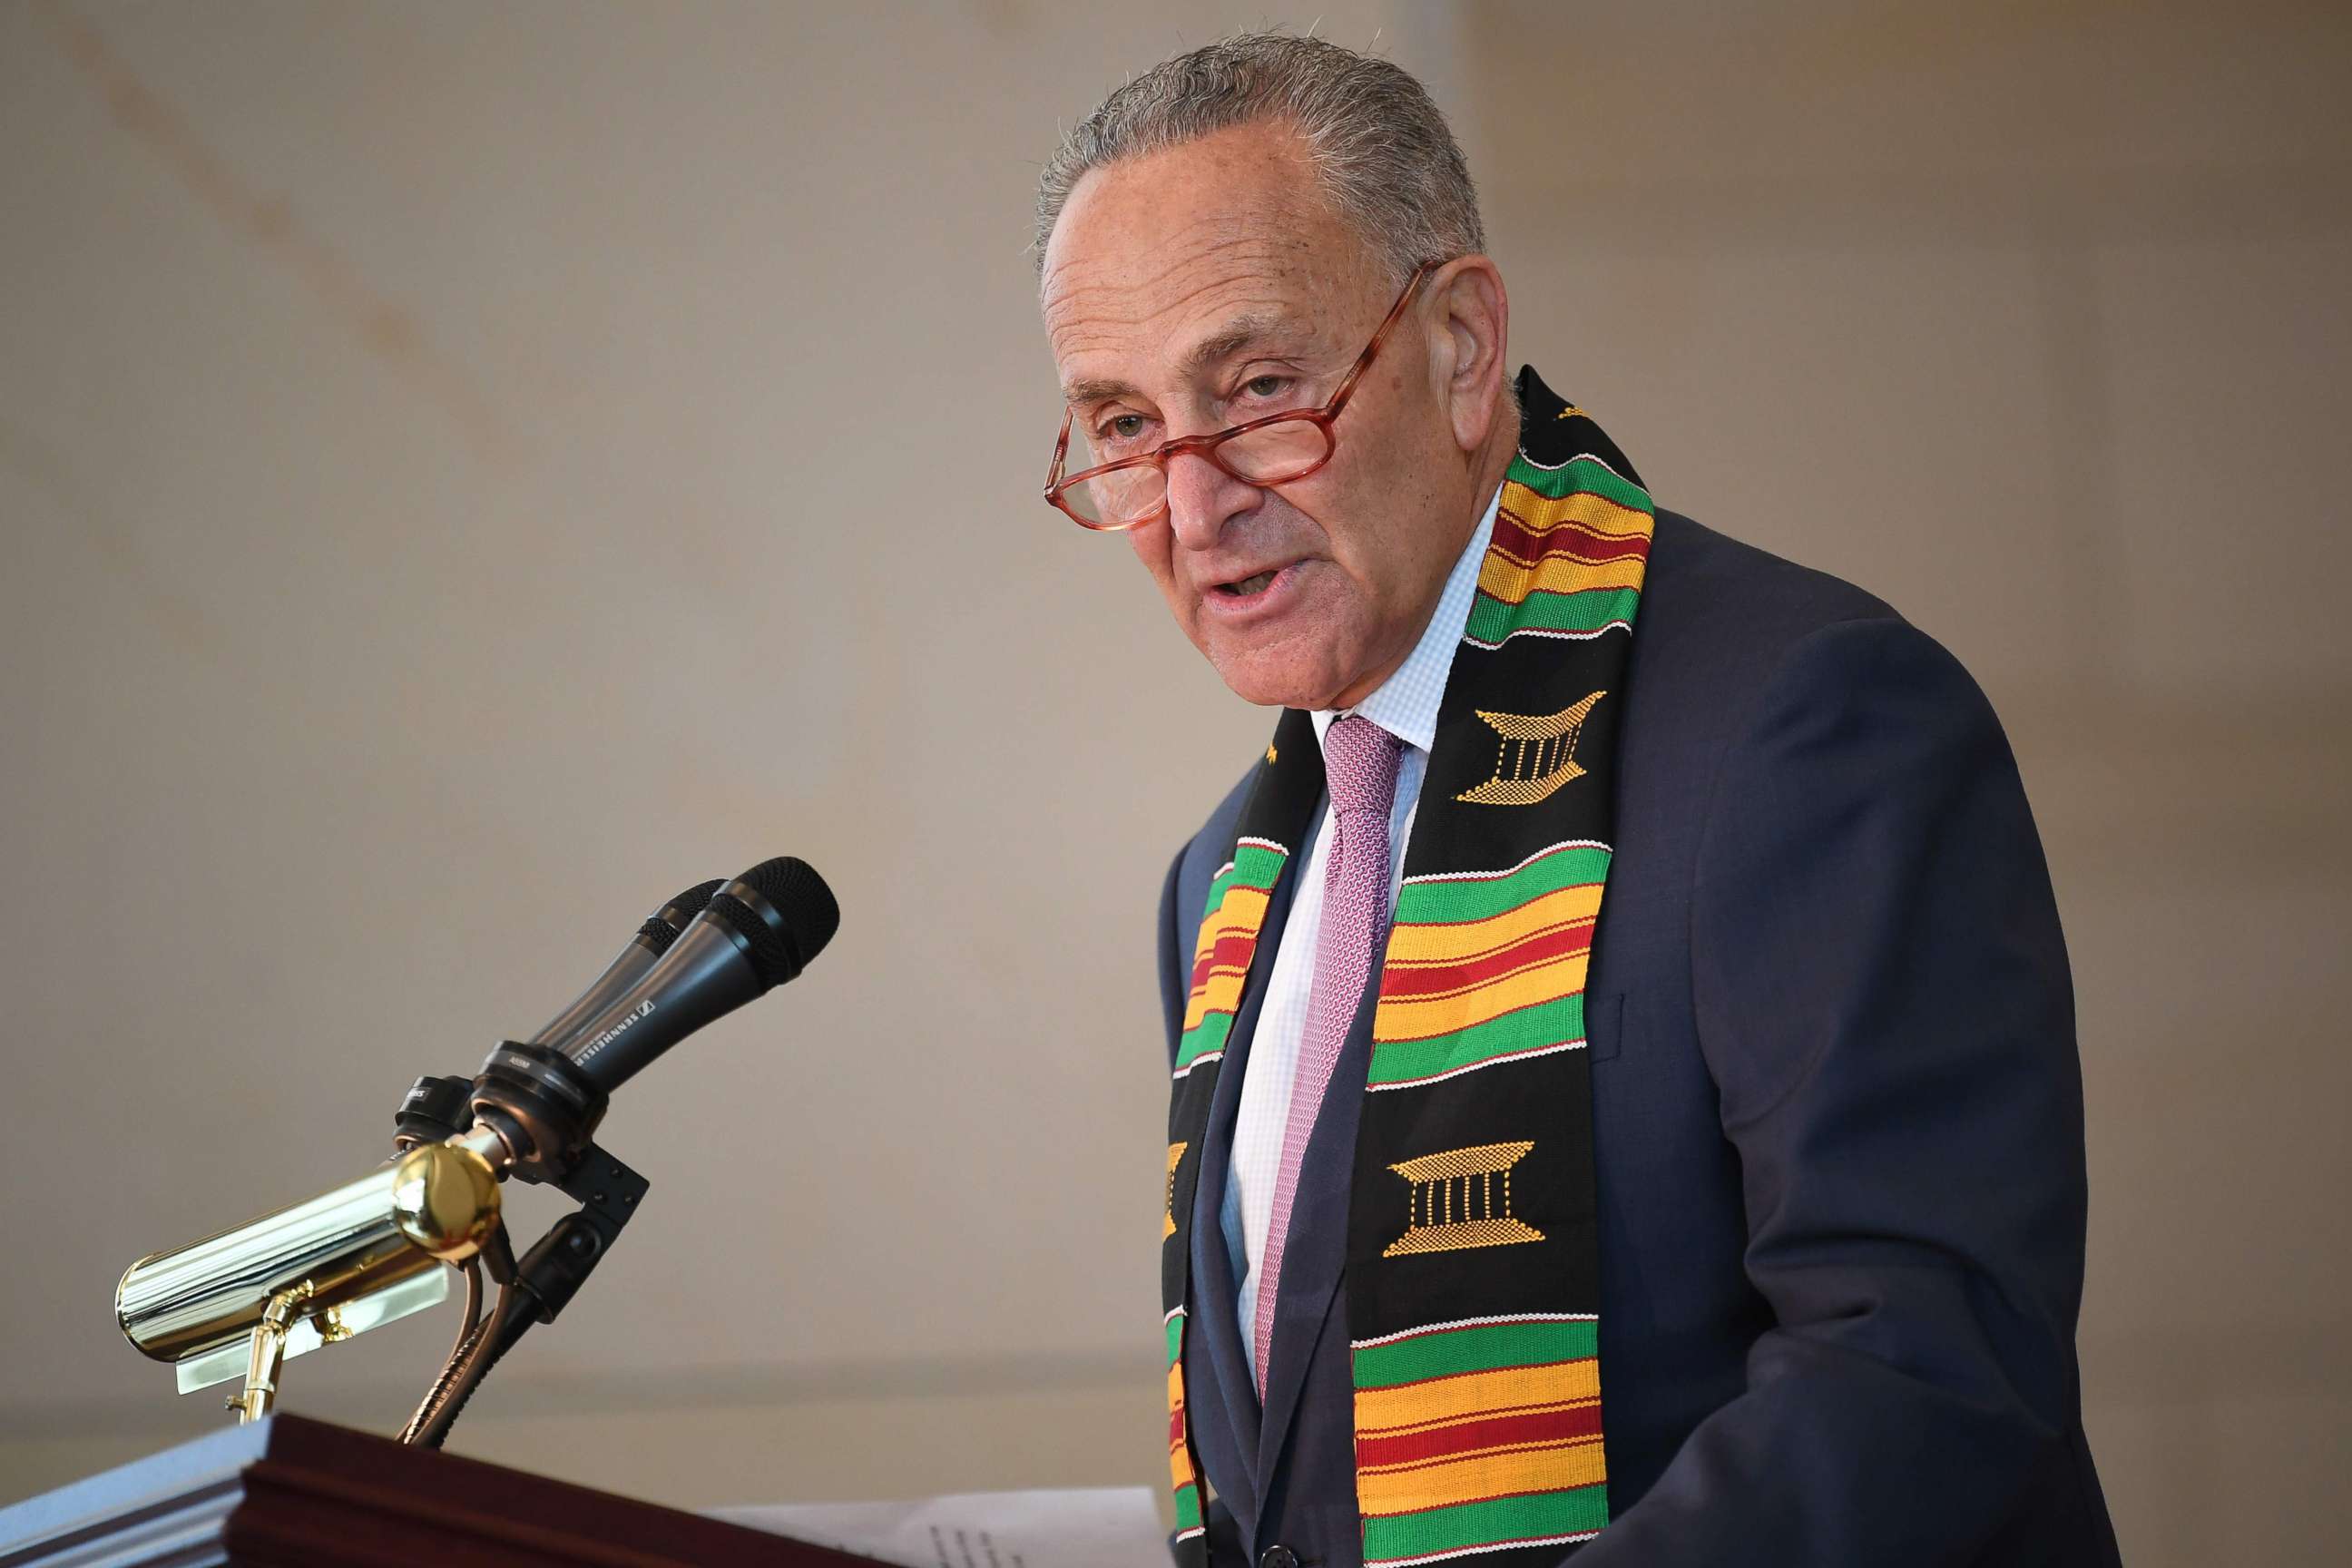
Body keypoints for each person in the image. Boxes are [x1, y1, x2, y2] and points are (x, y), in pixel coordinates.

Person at [1033, 34, 2122, 1568]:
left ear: (1464, 347)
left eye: (1262, 388)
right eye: (1128, 427)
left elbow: (1926, 1368)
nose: (1195, 508)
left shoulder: (1803, 724)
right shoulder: (1223, 882)